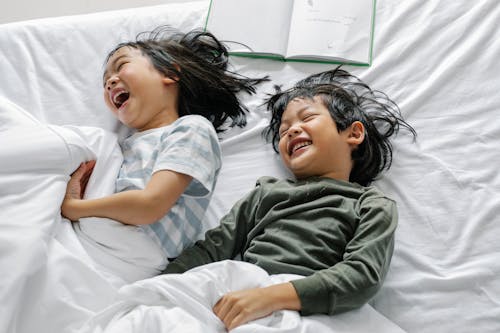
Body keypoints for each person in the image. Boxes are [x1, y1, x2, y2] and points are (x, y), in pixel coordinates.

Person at [162, 67, 417, 330]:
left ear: (353, 134)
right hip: (247, 294)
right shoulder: (265, 194)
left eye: (307, 117)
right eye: (283, 131)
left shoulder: (371, 205)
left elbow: (361, 276)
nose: (292, 131)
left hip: (309, 307)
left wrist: (270, 297)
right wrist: (162, 284)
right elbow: (212, 248)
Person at [60, 26, 267, 281]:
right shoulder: (123, 146)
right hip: (96, 238)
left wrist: (75, 208)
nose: (110, 81)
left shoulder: (191, 129)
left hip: (133, 249)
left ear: (169, 73)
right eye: (105, 83)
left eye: (121, 66)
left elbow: (150, 205)